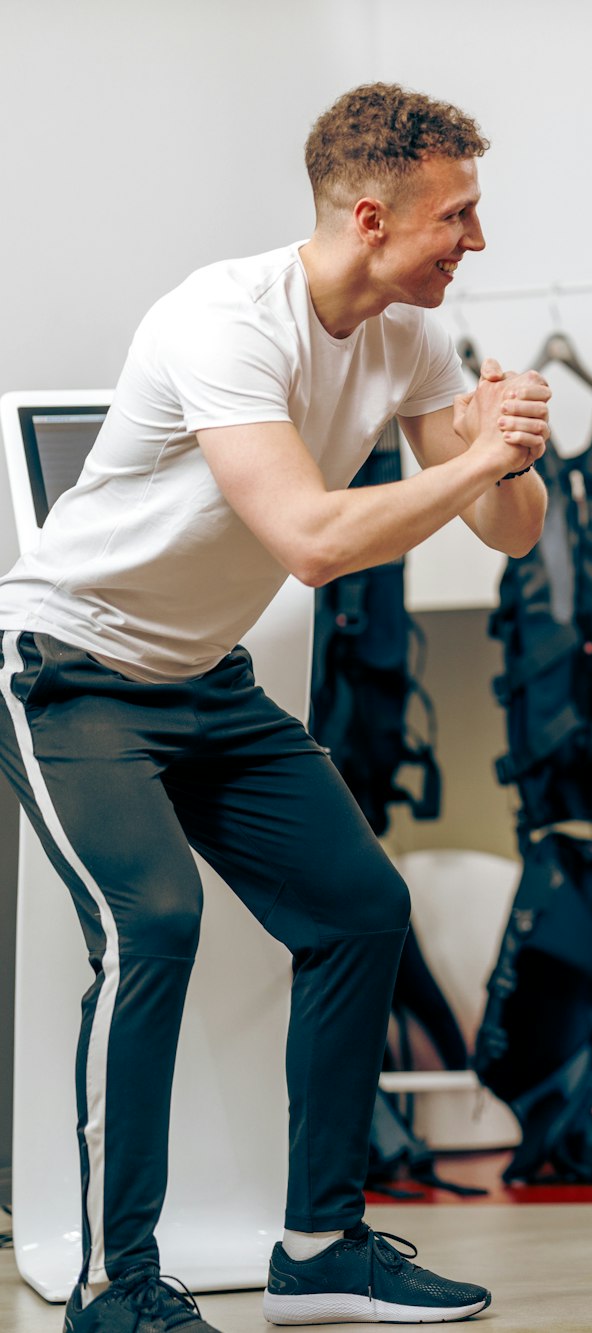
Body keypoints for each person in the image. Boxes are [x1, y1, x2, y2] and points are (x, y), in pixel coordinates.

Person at [0, 83, 549, 1331]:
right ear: (371, 216)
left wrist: (503, 452)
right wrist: (468, 458)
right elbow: (307, 538)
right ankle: (113, 1282)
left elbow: (508, 534)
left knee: (359, 908)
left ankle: (320, 1246)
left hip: (206, 683)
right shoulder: (224, 318)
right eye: (457, 217)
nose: (476, 240)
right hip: (71, 665)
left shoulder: (412, 334)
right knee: (155, 924)